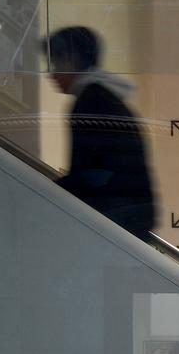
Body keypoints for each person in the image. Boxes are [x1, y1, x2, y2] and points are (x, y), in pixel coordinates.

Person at [44, 26, 158, 240]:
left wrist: (45, 189)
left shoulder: (90, 101)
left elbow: (90, 173)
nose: (51, 73)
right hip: (130, 217)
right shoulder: (104, 97)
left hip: (116, 218)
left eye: (54, 62)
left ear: (69, 60)